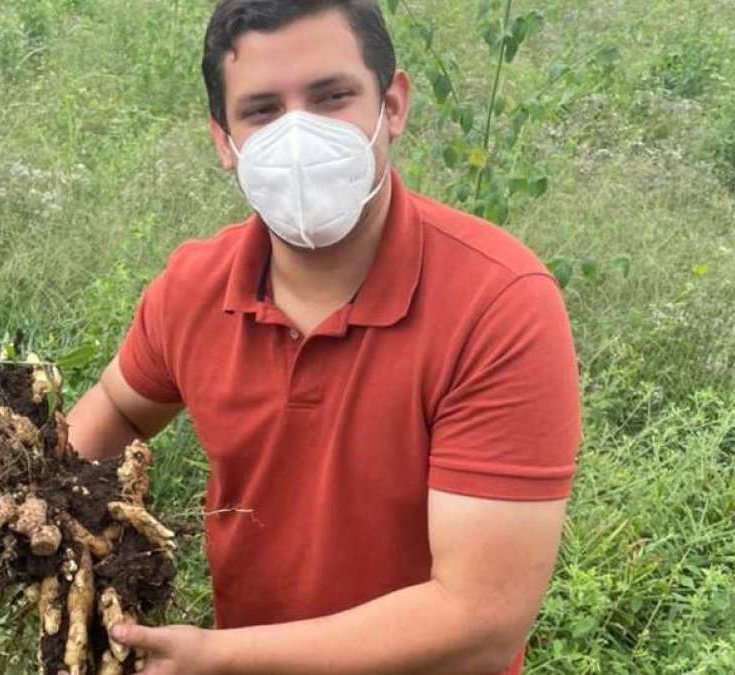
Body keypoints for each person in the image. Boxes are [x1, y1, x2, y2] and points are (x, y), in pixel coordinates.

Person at [66, 1, 582, 673]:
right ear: (224, 140)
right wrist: (22, 493)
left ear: (391, 105)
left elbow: (479, 619)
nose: (299, 135)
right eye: (262, 111)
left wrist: (220, 660)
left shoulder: (498, 305)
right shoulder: (196, 286)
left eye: (332, 96)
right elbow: (120, 407)